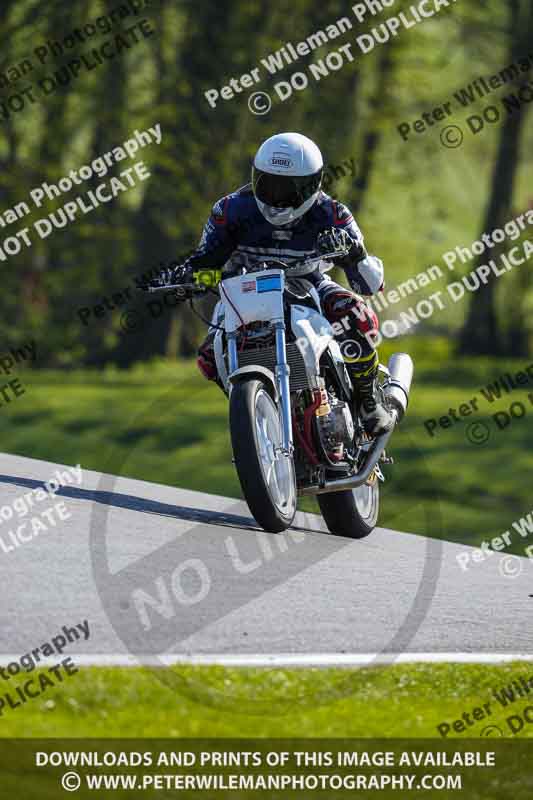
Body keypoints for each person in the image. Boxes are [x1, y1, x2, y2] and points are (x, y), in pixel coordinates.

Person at [164, 132, 394, 436]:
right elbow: (205, 262)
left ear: (314, 184)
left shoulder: (332, 214)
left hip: (309, 283)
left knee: (358, 315)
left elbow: (370, 284)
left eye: (290, 190)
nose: (277, 200)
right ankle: (255, 413)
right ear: (255, 177)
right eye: (269, 186)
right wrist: (187, 275)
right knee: (208, 357)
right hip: (244, 289)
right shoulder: (230, 211)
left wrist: (354, 253)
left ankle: (366, 399)